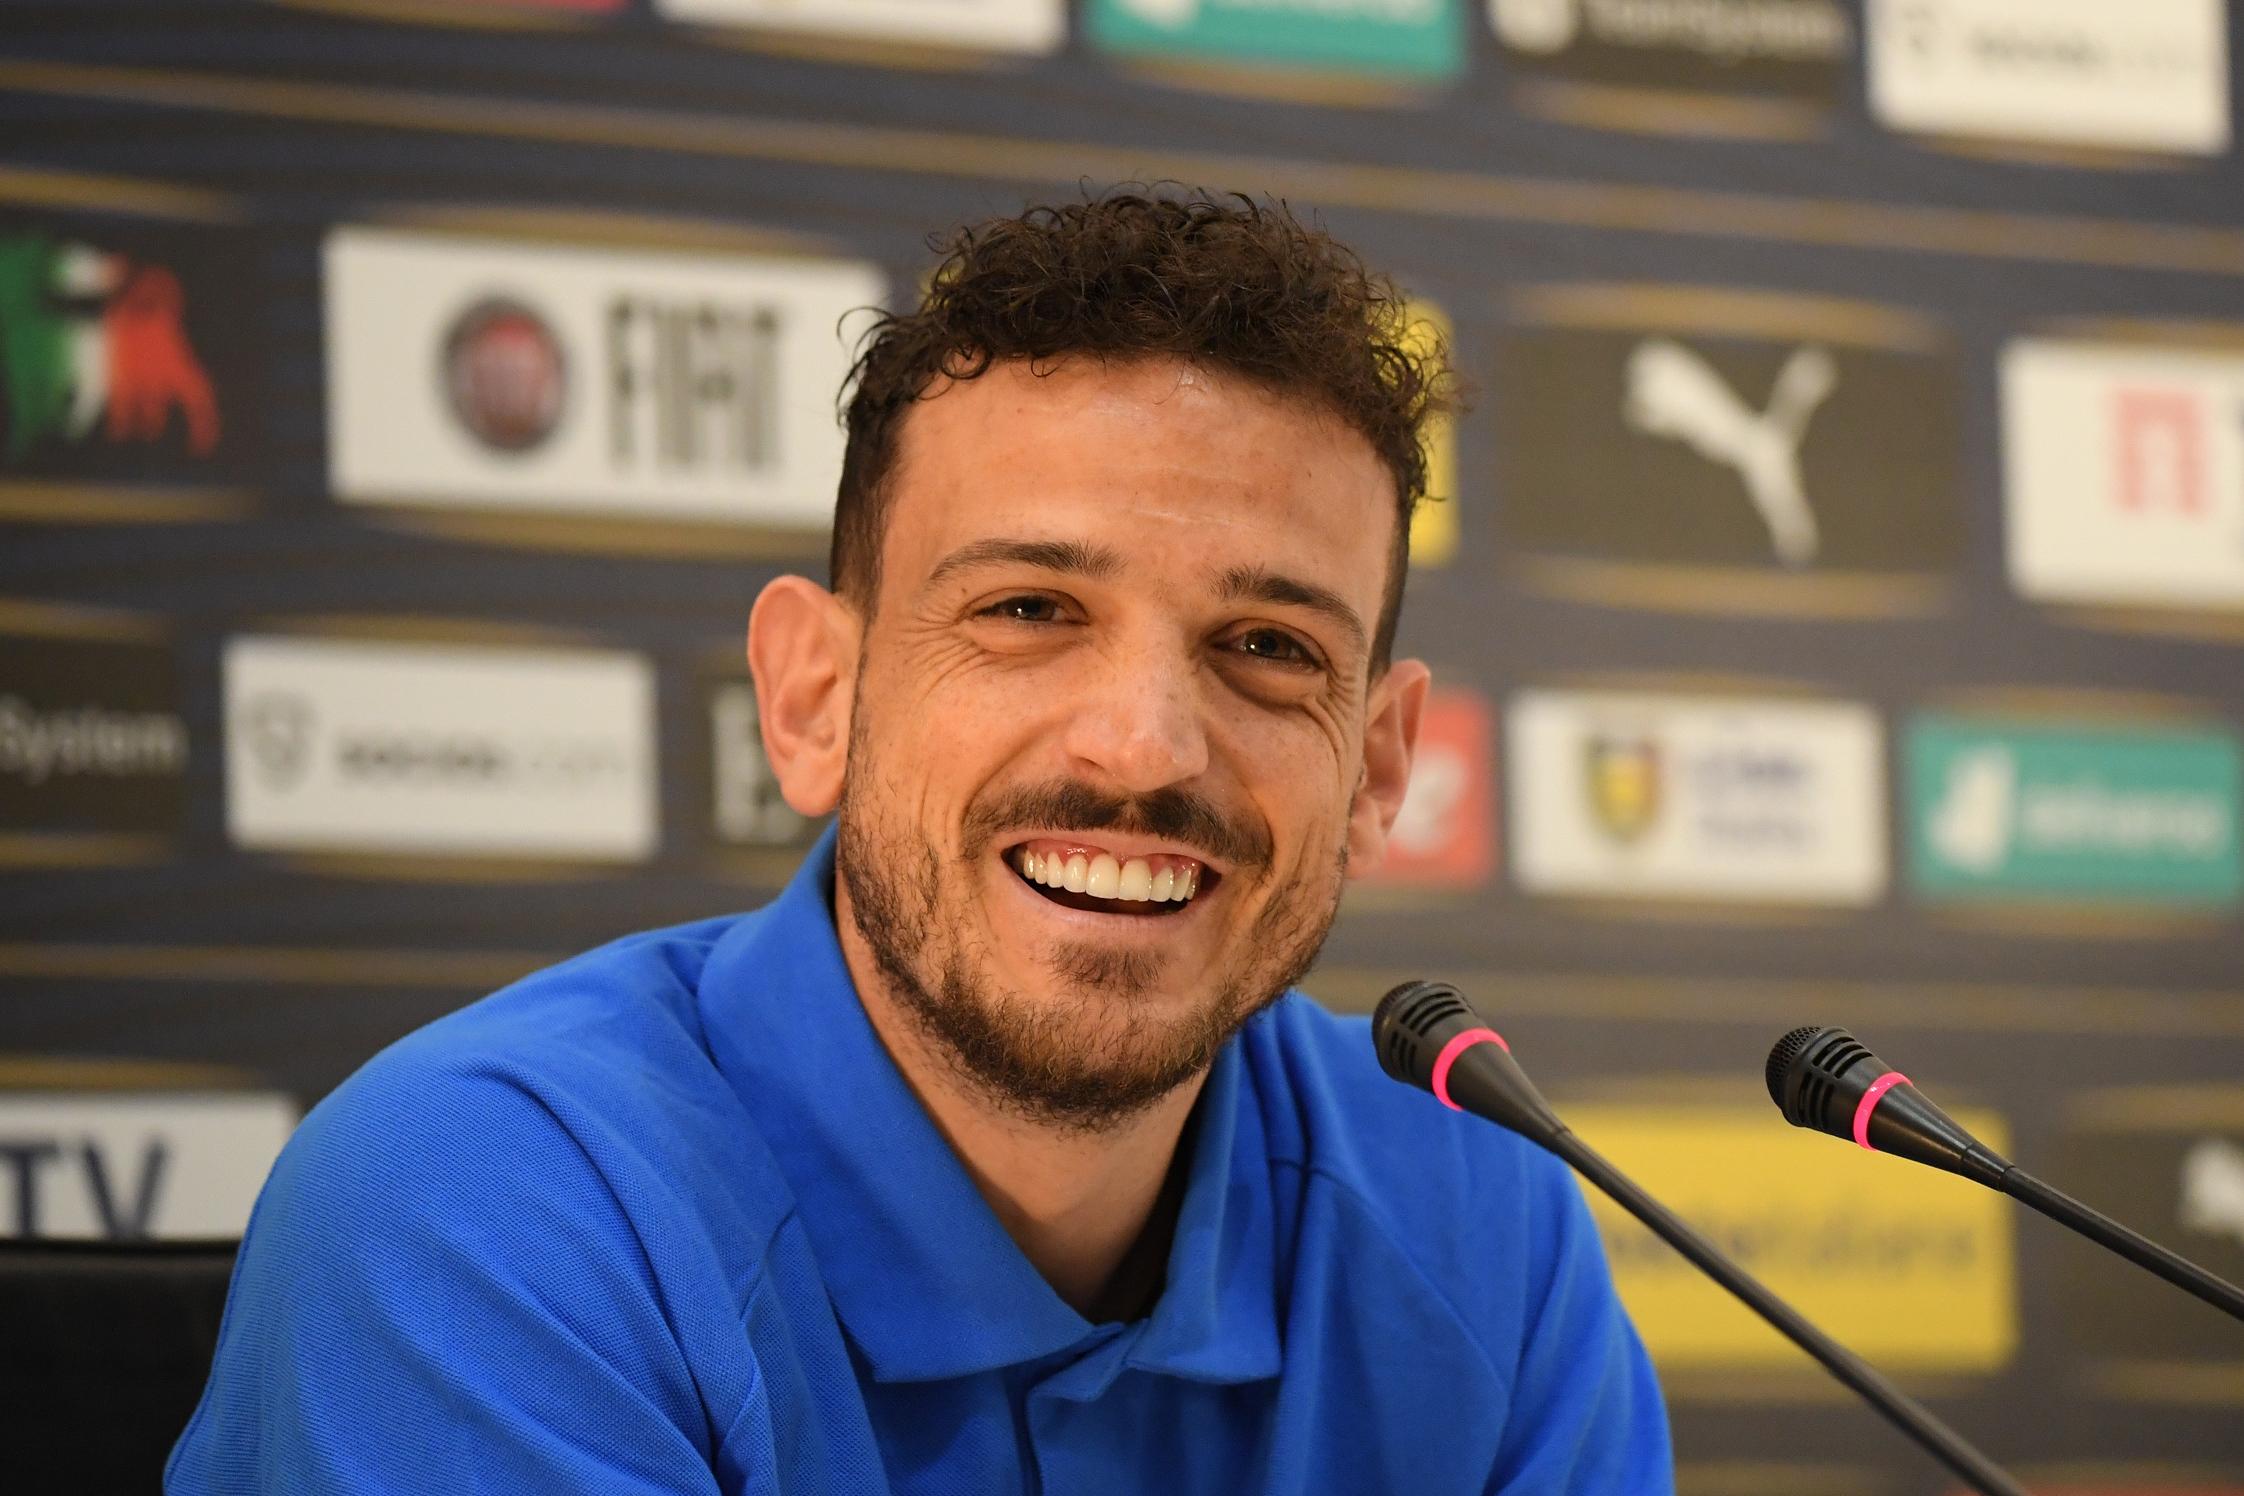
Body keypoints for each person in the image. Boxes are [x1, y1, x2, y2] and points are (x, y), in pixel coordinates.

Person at [169, 189, 1671, 1494]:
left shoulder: (1486, 1220)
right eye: (1027, 611)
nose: (1143, 747)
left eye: (1269, 645)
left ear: (1376, 768)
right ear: (814, 697)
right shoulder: (481, 1212)